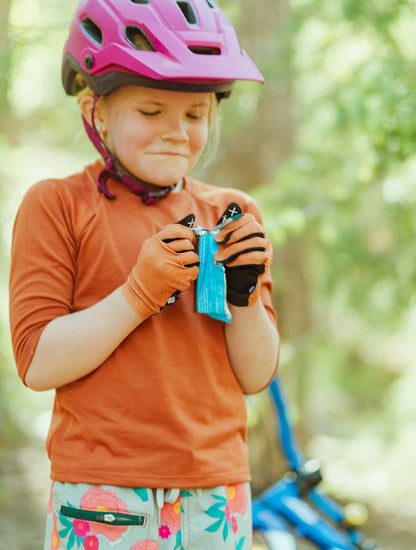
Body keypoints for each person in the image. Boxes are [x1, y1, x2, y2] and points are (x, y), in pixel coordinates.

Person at [9, 1, 280, 548]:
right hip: (104, 490)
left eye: (195, 115)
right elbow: (37, 362)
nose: (176, 133)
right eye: (151, 112)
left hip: (218, 489)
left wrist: (244, 296)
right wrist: (138, 293)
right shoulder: (58, 205)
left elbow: (255, 376)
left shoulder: (234, 211)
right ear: (97, 111)